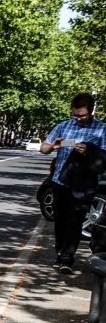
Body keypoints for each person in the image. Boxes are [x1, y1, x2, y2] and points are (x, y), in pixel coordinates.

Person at [40, 93, 106, 273]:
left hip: (83, 184)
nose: (78, 119)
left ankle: (67, 258)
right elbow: (43, 148)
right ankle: (60, 252)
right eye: (75, 115)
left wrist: (89, 150)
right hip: (60, 181)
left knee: (75, 221)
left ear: (91, 111)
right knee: (60, 220)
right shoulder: (64, 125)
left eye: (82, 115)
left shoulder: (102, 129)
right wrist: (53, 145)